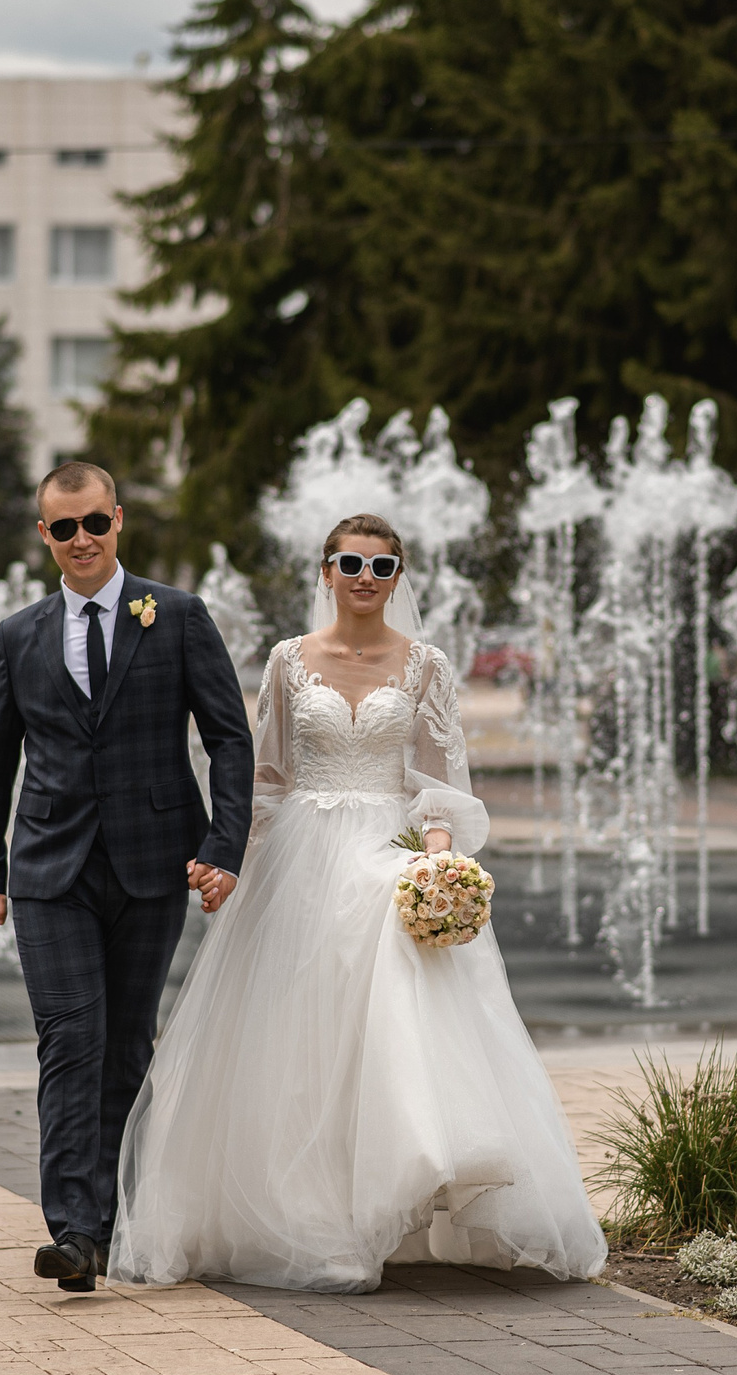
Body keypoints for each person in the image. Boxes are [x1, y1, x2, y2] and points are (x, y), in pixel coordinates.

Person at [111, 513, 606, 1293]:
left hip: (390, 847)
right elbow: (264, 777)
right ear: (326, 570)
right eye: (351, 562)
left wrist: (436, 867)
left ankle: (403, 1184)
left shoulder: (427, 665)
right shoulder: (287, 660)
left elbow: (441, 784)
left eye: (382, 566)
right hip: (299, 859)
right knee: (296, 1040)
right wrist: (230, 862)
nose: (365, 577)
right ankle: (312, 1215)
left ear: (398, 577)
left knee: (392, 1003)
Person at [0, 461, 255, 1295]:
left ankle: (116, 1217)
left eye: (94, 522)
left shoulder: (178, 616)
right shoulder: (20, 634)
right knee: (70, 1039)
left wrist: (224, 846)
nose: (81, 539)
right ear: (44, 534)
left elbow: (229, 739)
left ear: (118, 519)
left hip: (153, 861)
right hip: (50, 867)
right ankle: (74, 1231)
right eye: (64, 528)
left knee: (126, 1043)